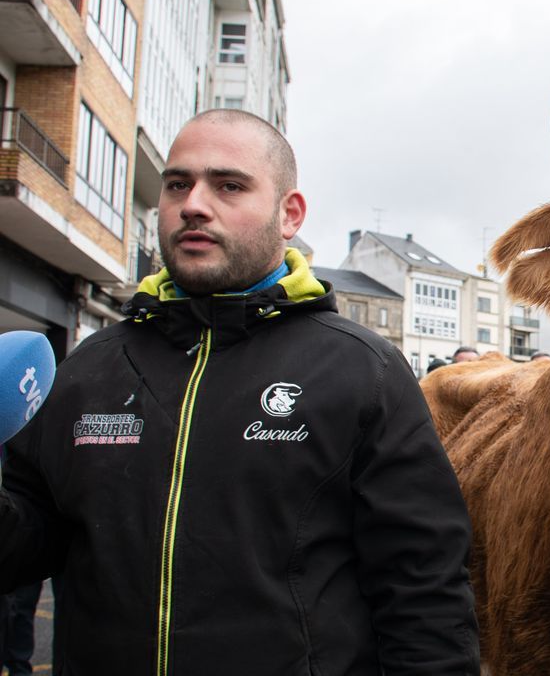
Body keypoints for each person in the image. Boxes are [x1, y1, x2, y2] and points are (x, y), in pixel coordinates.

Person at [0, 110, 480, 674]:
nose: (194, 204)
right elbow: (32, 540)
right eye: (178, 184)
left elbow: (423, 590)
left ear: (289, 214)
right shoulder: (89, 368)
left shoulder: (363, 370)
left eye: (229, 185)